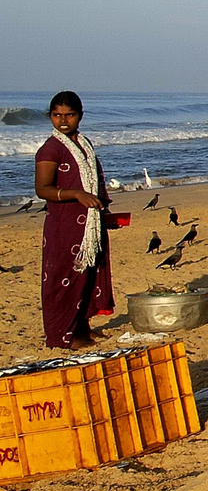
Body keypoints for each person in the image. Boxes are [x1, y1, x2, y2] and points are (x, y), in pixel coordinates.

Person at [36, 91, 116, 349]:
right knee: (63, 278)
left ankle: (81, 326)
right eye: (57, 115)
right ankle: (63, 335)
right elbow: (42, 189)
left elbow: (94, 180)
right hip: (65, 223)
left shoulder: (84, 143)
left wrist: (102, 212)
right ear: (50, 116)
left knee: (86, 275)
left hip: (89, 222)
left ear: (80, 116)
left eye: (69, 115)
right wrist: (75, 194)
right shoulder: (50, 149)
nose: (62, 120)